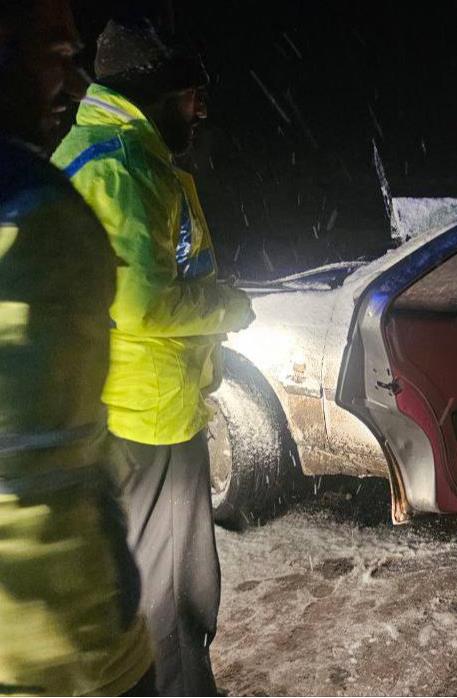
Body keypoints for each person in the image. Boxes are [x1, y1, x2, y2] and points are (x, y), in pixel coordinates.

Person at [52, 18, 254, 696]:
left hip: (123, 405)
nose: (201, 111)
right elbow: (142, 305)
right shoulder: (124, 167)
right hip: (151, 413)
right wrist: (228, 306)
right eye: (192, 96)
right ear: (156, 94)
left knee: (147, 578)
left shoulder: (101, 152)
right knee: (174, 592)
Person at [0, 1, 155, 694]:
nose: (72, 80)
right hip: (63, 646)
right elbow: (42, 481)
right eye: (56, 53)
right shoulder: (38, 211)